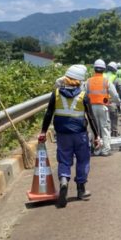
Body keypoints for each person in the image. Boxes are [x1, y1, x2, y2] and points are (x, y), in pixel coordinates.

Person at [38, 64, 101, 207]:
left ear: (65, 79)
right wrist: (97, 136)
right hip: (80, 134)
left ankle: (64, 181)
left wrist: (43, 131)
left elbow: (48, 113)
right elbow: (90, 117)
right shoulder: (84, 96)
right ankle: (81, 190)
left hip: (62, 134)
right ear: (80, 81)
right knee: (83, 160)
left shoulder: (56, 93)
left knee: (64, 159)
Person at [85, 58, 121, 157]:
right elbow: (115, 95)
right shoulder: (106, 81)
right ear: (104, 69)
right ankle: (105, 150)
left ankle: (96, 150)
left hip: (91, 108)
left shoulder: (88, 81)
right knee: (104, 128)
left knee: (94, 129)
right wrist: (118, 103)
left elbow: (83, 94)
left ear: (94, 69)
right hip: (103, 107)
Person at [105, 62, 121, 136]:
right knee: (114, 117)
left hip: (101, 101)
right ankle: (114, 132)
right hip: (111, 102)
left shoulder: (102, 76)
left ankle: (104, 133)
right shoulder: (115, 78)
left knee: (104, 119)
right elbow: (119, 90)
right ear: (115, 70)